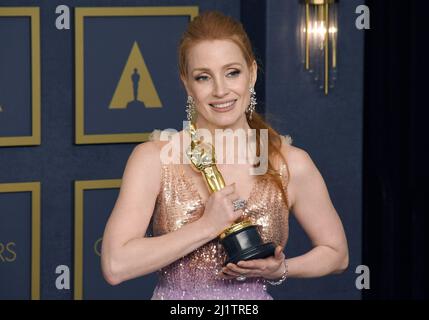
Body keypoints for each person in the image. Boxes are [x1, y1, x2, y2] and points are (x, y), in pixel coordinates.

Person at [101, 11, 349, 300]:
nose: (220, 90)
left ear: (252, 73)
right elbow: (115, 265)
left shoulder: (289, 163)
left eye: (232, 72)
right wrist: (208, 225)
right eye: (203, 77)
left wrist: (281, 269)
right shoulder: (155, 159)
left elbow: (337, 255)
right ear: (187, 84)